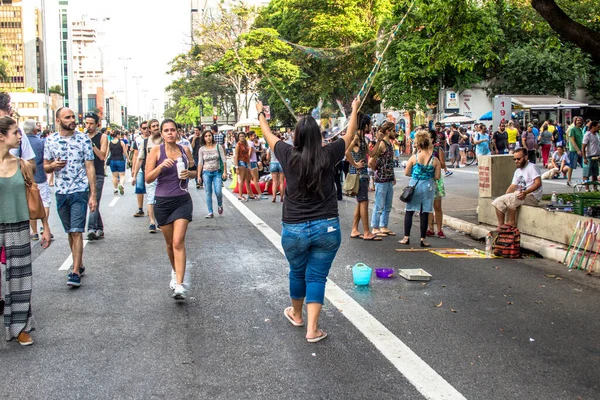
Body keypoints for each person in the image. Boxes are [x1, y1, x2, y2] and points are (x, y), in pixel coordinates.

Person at [256, 96, 361, 343]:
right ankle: (312, 329)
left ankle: (296, 314)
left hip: (294, 228)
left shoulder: (286, 153)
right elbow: (351, 132)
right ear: (317, 136)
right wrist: (355, 108)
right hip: (327, 227)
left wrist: (261, 113)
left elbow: (267, 133)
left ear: (296, 136)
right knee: (316, 276)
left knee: (297, 272)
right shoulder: (329, 153)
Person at [0, 116, 52, 345]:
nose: (20, 137)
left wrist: (45, 227)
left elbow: (36, 197)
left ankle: (20, 327)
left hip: (19, 224)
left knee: (20, 278)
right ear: (1, 136)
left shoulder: (22, 164)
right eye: (15, 132)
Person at [44, 108, 97, 287]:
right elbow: (44, 166)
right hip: (60, 192)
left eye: (73, 116)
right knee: (69, 231)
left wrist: (93, 195)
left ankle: (74, 272)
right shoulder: (50, 140)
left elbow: (90, 167)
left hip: (79, 190)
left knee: (76, 230)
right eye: (68, 117)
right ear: (58, 121)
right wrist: (52, 165)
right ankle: (79, 263)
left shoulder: (83, 139)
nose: (72, 120)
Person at [145, 119, 194, 300]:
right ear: (162, 134)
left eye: (173, 130)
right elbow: (148, 178)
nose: (170, 133)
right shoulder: (156, 151)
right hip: (163, 202)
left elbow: (195, 171)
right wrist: (160, 167)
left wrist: (189, 173)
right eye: (166, 130)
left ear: (177, 132)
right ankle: (174, 271)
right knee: (169, 244)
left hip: (182, 200)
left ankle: (180, 285)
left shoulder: (184, 150)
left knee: (178, 242)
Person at [399, 130, 441, 247]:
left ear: (417, 144)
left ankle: (406, 237)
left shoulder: (414, 158)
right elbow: (437, 176)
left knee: (409, 211)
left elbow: (407, 172)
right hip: (428, 186)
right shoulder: (434, 160)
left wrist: (416, 175)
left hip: (415, 185)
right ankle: (423, 239)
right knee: (425, 212)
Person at [347, 113, 381, 241]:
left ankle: (355, 229)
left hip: (363, 175)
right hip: (359, 175)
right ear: (365, 125)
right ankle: (367, 232)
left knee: (360, 202)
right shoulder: (356, 137)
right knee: (364, 202)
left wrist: (379, 141)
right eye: (370, 124)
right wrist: (355, 164)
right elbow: (347, 152)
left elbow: (372, 153)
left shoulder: (363, 139)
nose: (371, 126)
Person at [492, 148, 542, 229]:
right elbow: (513, 186)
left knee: (511, 198)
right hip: (519, 194)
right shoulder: (517, 171)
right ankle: (500, 226)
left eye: (518, 159)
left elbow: (538, 183)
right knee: (498, 201)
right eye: (514, 159)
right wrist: (505, 196)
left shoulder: (532, 167)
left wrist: (525, 193)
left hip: (531, 196)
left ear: (525, 157)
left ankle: (512, 223)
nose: (516, 161)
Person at [23, 120, 51, 241]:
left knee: (30, 204)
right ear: (35, 130)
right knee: (45, 202)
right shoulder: (41, 142)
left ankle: (34, 231)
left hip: (27, 178)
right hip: (40, 176)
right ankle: (44, 227)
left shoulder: (21, 142)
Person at [370, 122, 397, 237]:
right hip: (381, 179)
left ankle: (384, 226)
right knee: (379, 204)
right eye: (393, 130)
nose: (395, 133)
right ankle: (375, 227)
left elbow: (389, 162)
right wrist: (377, 170)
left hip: (388, 178)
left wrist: (393, 176)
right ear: (387, 131)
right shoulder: (381, 144)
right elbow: (371, 160)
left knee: (388, 204)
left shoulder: (389, 144)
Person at [84, 112, 108, 241]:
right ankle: (100, 228)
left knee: (94, 201)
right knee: (91, 202)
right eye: (86, 123)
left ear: (97, 124)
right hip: (84, 174)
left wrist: (91, 144)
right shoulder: (82, 136)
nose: (88, 126)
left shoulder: (102, 137)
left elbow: (102, 156)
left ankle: (92, 229)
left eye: (91, 123)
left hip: (97, 173)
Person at [136, 119, 162, 233]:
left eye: (157, 125)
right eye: (154, 126)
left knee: (161, 198)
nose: (156, 127)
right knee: (151, 198)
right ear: (149, 129)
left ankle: (161, 221)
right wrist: (134, 174)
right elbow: (140, 158)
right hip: (151, 173)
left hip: (164, 174)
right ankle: (152, 222)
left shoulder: (165, 140)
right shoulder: (145, 142)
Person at [197, 130, 227, 218]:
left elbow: (224, 159)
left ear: (212, 136)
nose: (208, 137)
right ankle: (210, 212)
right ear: (203, 138)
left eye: (209, 135)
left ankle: (220, 204)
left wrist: (225, 171)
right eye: (206, 136)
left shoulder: (218, 147)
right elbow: (200, 162)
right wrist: (198, 175)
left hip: (217, 172)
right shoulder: (201, 149)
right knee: (208, 192)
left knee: (218, 191)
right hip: (206, 172)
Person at [427, 129, 446, 239]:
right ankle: (430, 228)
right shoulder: (421, 150)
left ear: (432, 139)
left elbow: (443, 165)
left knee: (437, 206)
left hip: (436, 179)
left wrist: (436, 162)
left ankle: (439, 229)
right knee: (427, 206)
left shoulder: (438, 149)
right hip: (426, 179)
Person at [131, 121, 150, 216]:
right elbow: (136, 155)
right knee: (139, 187)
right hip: (141, 167)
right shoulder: (138, 140)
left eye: (147, 127)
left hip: (150, 167)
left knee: (151, 188)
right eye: (144, 128)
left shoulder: (153, 139)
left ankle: (150, 208)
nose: (146, 130)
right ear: (141, 129)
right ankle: (140, 209)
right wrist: (134, 169)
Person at [107, 130, 127, 195]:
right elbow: (125, 152)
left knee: (114, 176)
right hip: (120, 160)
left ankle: (115, 189)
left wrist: (105, 160)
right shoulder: (121, 143)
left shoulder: (110, 142)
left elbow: (107, 153)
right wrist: (129, 159)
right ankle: (121, 184)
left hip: (112, 160)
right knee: (122, 175)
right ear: (118, 135)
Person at [234, 131, 252, 201]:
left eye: (243, 136)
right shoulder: (238, 145)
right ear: (238, 138)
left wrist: (249, 165)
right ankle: (240, 195)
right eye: (240, 136)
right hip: (241, 162)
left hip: (246, 161)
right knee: (241, 180)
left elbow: (248, 155)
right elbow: (236, 156)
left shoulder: (246, 144)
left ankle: (249, 194)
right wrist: (236, 167)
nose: (242, 137)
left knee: (247, 179)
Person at [566, 116, 584, 186]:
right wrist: (578, 150)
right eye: (577, 120)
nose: (579, 122)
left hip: (581, 150)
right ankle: (569, 180)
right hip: (574, 150)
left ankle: (584, 180)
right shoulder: (572, 129)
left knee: (584, 165)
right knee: (572, 165)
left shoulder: (580, 130)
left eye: (580, 120)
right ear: (575, 122)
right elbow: (572, 141)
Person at [267, 132, 285, 202]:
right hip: (281, 163)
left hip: (273, 163)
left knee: (274, 181)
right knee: (281, 181)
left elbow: (267, 157)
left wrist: (269, 161)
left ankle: (274, 197)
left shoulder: (270, 146)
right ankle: (281, 197)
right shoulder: (282, 146)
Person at [582, 121, 600, 188]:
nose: (599, 128)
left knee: (595, 173)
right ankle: (587, 188)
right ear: (593, 127)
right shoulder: (587, 135)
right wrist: (584, 158)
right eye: (597, 127)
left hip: (596, 156)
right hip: (589, 156)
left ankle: (595, 188)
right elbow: (583, 147)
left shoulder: (597, 134)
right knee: (587, 174)